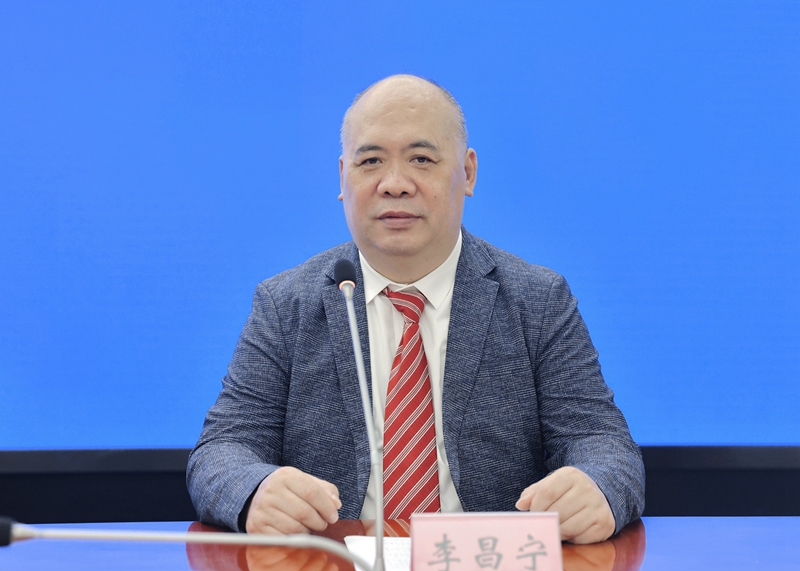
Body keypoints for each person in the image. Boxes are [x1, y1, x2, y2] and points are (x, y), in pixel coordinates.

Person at [187, 74, 645, 545]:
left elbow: (603, 444)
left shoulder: (537, 299)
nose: (394, 185)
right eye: (370, 161)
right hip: (336, 569)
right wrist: (255, 490)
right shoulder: (286, 304)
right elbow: (223, 450)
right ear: (342, 178)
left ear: (467, 173)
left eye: (421, 159)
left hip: (486, 569)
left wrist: (597, 486)